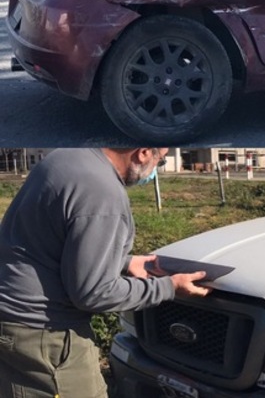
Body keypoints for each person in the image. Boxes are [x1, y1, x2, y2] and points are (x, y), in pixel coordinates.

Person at [0, 148, 211, 398]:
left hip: (14, 321)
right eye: (161, 159)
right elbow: (93, 293)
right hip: (47, 335)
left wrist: (123, 261)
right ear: (143, 153)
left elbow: (54, 239)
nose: (157, 168)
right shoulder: (103, 193)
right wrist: (169, 287)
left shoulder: (66, 156)